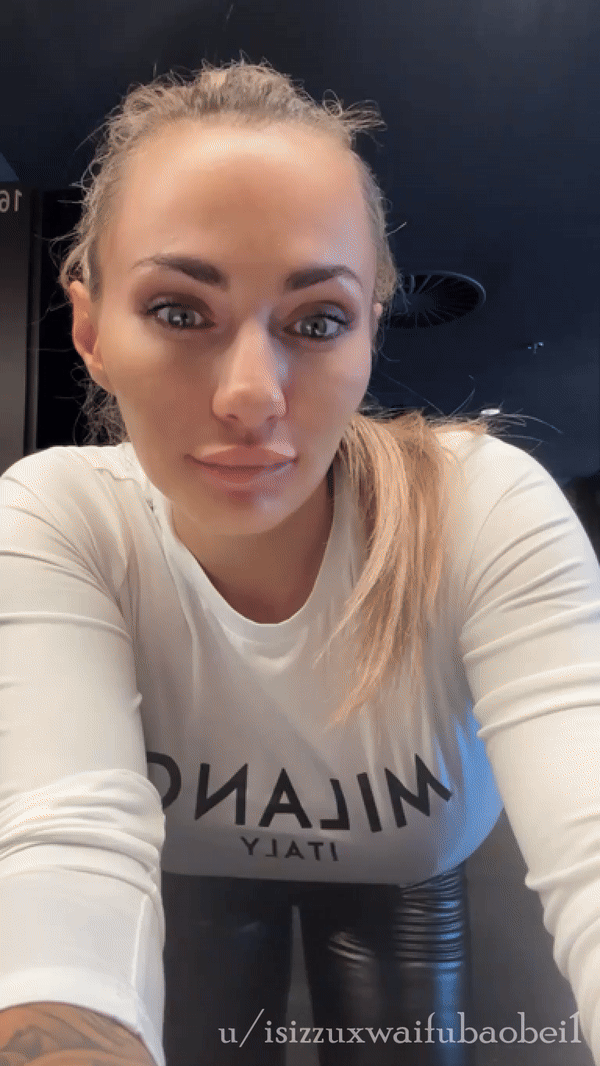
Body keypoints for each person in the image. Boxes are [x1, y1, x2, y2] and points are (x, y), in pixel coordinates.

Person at [1, 57, 600, 1066]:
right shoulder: (57, 518)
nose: (251, 393)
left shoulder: (482, 511)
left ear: (368, 335)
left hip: (407, 873)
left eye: (317, 321)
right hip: (191, 871)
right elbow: (63, 846)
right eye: (180, 311)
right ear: (91, 330)